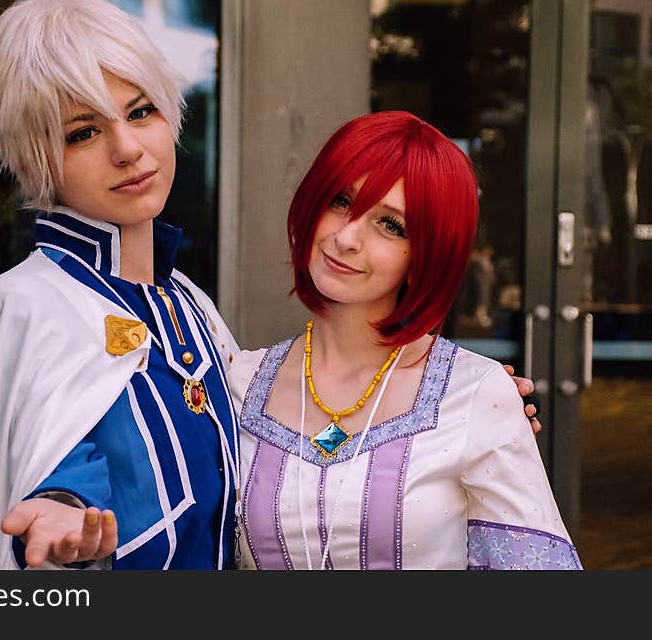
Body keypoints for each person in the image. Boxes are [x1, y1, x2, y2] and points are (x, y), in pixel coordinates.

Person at [0, 0, 539, 571]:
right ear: (33, 158)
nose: (128, 149)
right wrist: (64, 505)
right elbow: (56, 456)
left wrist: (467, 400)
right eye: (82, 132)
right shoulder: (26, 303)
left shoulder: (190, 306)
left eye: (141, 112)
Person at [228, 111, 581, 570]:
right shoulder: (237, 382)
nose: (346, 236)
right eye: (339, 200)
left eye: (390, 225)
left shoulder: (474, 393)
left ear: (427, 254)